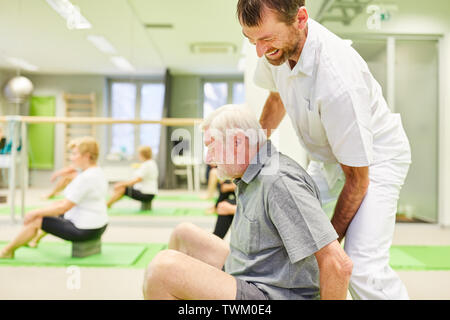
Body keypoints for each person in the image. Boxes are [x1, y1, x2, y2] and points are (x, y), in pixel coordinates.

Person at [237, 0, 411, 299]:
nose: (259, 51)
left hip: (376, 161)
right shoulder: (275, 49)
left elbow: (357, 180)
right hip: (327, 157)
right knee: (287, 232)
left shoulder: (337, 80)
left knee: (361, 266)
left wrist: (325, 246)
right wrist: (253, 153)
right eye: (251, 40)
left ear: (301, 18)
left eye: (266, 39)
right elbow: (277, 98)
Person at [142, 104, 352, 300]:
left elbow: (338, 264)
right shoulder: (251, 173)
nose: (208, 159)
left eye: (212, 146)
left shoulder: (279, 181)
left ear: (238, 142)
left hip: (271, 294)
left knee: (161, 270)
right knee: (183, 234)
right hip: (254, 275)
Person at [0, 136, 108, 258]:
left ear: (87, 156)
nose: (71, 158)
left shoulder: (85, 178)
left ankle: (6, 252)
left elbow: (63, 208)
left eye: (74, 154)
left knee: (36, 220)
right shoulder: (97, 171)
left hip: (85, 230)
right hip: (100, 225)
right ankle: (33, 239)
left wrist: (34, 212)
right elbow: (66, 203)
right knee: (50, 211)